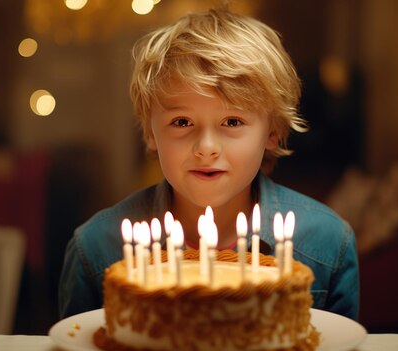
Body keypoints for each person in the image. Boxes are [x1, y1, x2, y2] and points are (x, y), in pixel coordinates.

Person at [59, 7, 359, 320]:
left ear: (272, 132)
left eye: (231, 121)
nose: (206, 148)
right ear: (150, 133)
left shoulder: (327, 246)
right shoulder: (95, 250)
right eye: (181, 121)